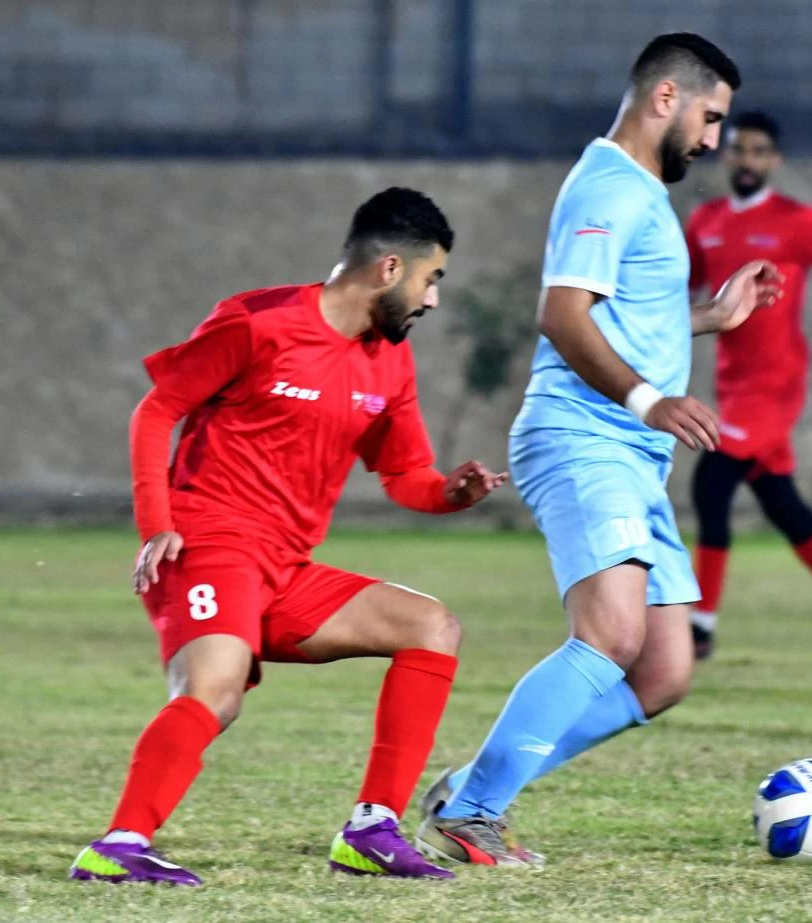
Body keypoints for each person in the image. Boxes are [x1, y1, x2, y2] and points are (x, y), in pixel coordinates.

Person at [412, 33, 779, 867]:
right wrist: (653, 400)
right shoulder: (608, 185)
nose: (715, 140)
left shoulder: (639, 190)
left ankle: (471, 781)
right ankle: (474, 811)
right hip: (583, 435)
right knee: (609, 634)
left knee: (661, 671)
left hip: (628, 449)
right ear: (665, 99)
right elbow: (563, 316)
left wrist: (712, 318)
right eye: (710, 118)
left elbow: (617, 314)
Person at [69, 187, 507, 885]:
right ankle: (119, 845)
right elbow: (158, 411)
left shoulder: (388, 361)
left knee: (432, 625)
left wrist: (450, 493)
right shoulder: (257, 322)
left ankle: (372, 830)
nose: (433, 301)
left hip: (285, 568)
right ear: (390, 268)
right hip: (207, 546)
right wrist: (158, 525)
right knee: (218, 688)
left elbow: (405, 475)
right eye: (432, 280)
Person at [683, 109, 812, 667]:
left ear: (774, 160)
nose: (747, 160)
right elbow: (684, 287)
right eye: (739, 149)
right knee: (779, 502)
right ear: (726, 154)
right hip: (733, 384)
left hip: (775, 387)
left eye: (758, 151)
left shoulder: (797, 220)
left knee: (712, 481)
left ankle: (699, 627)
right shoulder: (706, 221)